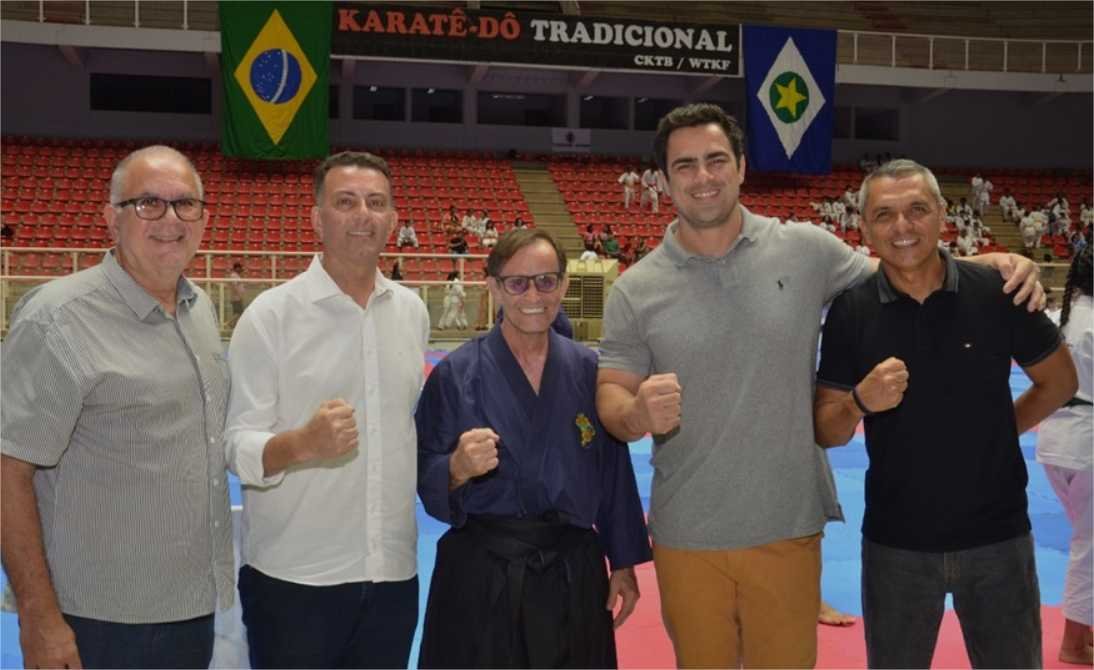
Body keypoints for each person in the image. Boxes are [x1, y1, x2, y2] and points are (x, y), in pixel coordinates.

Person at [593, 104, 1044, 668]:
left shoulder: (806, 249)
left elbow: (904, 266)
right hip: (688, 529)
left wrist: (991, 263)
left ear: (741, 167)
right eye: (684, 165)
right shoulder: (635, 289)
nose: (702, 176)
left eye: (716, 160)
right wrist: (635, 414)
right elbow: (611, 393)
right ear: (663, 179)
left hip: (788, 522)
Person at [813, 159, 1077, 669]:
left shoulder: (999, 291)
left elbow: (1060, 381)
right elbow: (827, 430)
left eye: (917, 210)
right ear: (863, 227)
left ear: (941, 214)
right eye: (884, 214)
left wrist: (998, 430)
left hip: (999, 535)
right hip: (897, 543)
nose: (902, 226)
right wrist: (859, 401)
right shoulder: (852, 310)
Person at [1, 145, 233, 669]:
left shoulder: (198, 311)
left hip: (189, 609)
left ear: (203, 218)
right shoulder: (59, 319)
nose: (170, 219)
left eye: (185, 204)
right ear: (111, 218)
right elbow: (8, 469)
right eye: (148, 203)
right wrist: (38, 616)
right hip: (94, 620)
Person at [223, 151, 430, 668]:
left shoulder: (412, 312)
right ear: (317, 219)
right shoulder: (270, 316)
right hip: (294, 580)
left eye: (376, 203)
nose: (363, 214)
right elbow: (235, 444)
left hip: (392, 574)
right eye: (345, 202)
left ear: (393, 221)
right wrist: (301, 444)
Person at [415, 229, 651, 668]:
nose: (533, 296)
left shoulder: (589, 370)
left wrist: (622, 560)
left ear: (563, 284)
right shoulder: (455, 375)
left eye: (545, 281)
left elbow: (613, 472)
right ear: (493, 287)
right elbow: (424, 470)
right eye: (517, 283)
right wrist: (456, 469)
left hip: (571, 571)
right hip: (483, 574)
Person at [1036, 246, 1093, 666]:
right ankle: (1073, 644)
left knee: (1086, 537)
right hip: (1088, 441)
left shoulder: (1063, 316)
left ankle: (1082, 633)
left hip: (1055, 437)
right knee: (1090, 544)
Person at [228, 261, 246, 327]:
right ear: (236, 268)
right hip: (236, 298)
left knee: (237, 313)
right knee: (239, 312)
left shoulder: (237, 276)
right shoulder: (234, 276)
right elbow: (234, 286)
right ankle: (229, 323)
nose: (240, 269)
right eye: (239, 268)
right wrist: (239, 295)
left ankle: (233, 325)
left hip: (237, 297)